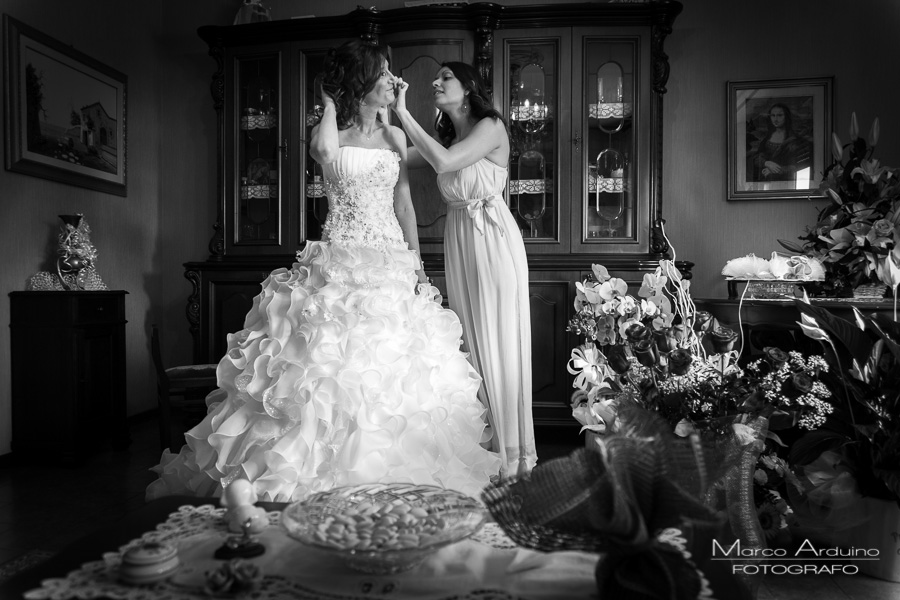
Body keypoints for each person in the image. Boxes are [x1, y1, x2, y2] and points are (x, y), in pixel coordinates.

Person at [146, 40, 501, 503]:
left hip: (389, 261)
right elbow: (323, 151)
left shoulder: (395, 137)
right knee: (323, 366)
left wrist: (416, 266)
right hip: (337, 258)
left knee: (388, 371)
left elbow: (405, 206)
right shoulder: (331, 132)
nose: (392, 80)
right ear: (360, 83)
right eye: (382, 73)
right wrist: (330, 102)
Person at [390, 62, 537, 478]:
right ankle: (485, 449)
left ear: (468, 86)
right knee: (470, 341)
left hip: (492, 240)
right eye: (436, 78)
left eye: (445, 77)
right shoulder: (449, 137)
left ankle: (514, 458)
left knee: (500, 340)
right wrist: (373, 125)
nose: (435, 83)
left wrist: (402, 112)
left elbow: (444, 162)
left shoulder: (490, 126)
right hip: (460, 241)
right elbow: (400, 155)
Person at [749, 102, 809, 182]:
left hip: (787, 182)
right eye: (773, 115)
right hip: (765, 182)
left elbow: (800, 165)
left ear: (786, 117)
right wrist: (767, 163)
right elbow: (757, 158)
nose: (775, 119)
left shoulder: (794, 140)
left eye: (780, 115)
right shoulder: (766, 138)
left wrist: (776, 170)